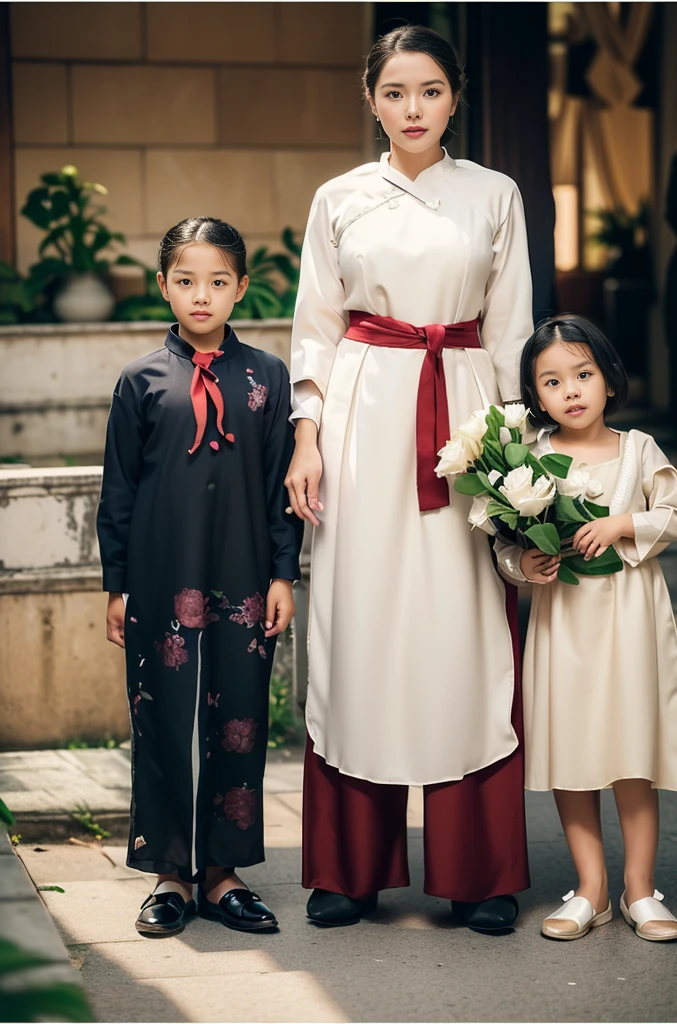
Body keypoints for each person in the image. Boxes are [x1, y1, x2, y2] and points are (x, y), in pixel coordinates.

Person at [286, 26, 533, 933]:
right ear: (371, 99)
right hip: (362, 414)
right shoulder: (340, 197)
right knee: (361, 623)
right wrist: (307, 438)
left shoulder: (493, 194)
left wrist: (519, 461)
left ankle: (484, 871)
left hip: (468, 412)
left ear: (455, 98)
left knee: (466, 629)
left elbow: (511, 330)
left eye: (429, 92)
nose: (413, 109)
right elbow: (313, 328)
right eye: (396, 93)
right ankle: (349, 870)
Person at [97, 218, 303, 937]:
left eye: (218, 281)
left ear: (241, 287)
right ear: (163, 286)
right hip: (161, 578)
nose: (202, 295)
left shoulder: (267, 377)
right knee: (163, 720)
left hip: (245, 577)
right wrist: (115, 585)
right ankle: (168, 874)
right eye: (186, 280)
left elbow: (284, 486)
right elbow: (117, 492)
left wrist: (284, 574)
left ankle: (223, 875)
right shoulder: (141, 380)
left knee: (240, 721)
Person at [495, 315, 677, 942]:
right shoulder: (529, 460)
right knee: (571, 750)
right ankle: (592, 888)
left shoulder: (638, 449)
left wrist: (623, 525)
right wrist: (524, 562)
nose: (572, 390)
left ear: (609, 379)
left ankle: (642, 888)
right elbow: (504, 546)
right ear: (536, 397)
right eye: (552, 381)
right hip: (564, 624)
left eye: (583, 374)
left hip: (629, 620)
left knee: (631, 748)